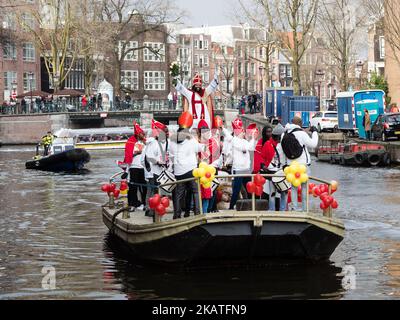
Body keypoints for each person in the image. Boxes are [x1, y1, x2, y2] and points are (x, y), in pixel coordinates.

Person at [169, 114, 206, 219]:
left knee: (179, 194)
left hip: (178, 171)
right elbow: (199, 148)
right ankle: (198, 213)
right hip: (191, 171)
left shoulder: (172, 139)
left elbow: (171, 154)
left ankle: (176, 215)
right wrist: (203, 143)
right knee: (195, 191)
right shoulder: (191, 138)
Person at [278, 116, 318, 212]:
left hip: (291, 166)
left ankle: (294, 208)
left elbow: (282, 151)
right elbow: (313, 144)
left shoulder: (284, 134)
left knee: (293, 188)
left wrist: (283, 164)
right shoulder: (301, 133)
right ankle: (305, 210)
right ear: (300, 124)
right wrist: (315, 132)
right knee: (304, 187)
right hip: (303, 165)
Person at [229, 118, 258, 210]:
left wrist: (253, 139)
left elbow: (251, 148)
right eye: (242, 131)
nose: (244, 133)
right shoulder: (234, 140)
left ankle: (251, 206)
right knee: (236, 190)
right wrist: (252, 138)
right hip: (238, 169)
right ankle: (231, 207)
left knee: (249, 188)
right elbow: (246, 147)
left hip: (246, 169)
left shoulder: (244, 141)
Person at [144, 120, 170, 217]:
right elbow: (149, 157)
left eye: (166, 132)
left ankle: (160, 209)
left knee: (162, 192)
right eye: (164, 132)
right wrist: (158, 162)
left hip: (164, 172)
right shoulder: (153, 143)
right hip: (155, 172)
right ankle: (151, 210)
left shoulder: (168, 143)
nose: (166, 134)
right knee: (154, 193)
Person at [122, 122, 147, 211]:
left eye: (143, 134)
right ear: (137, 134)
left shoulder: (145, 142)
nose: (143, 135)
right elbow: (128, 156)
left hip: (143, 167)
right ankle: (132, 204)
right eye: (141, 134)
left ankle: (144, 203)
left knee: (144, 187)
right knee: (133, 187)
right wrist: (135, 153)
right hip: (134, 167)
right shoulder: (130, 142)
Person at [264, 124, 287, 211]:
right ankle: (280, 209)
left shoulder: (268, 144)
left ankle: (274, 210)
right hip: (277, 171)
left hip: (275, 171)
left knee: (275, 193)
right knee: (280, 192)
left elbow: (263, 157)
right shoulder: (281, 145)